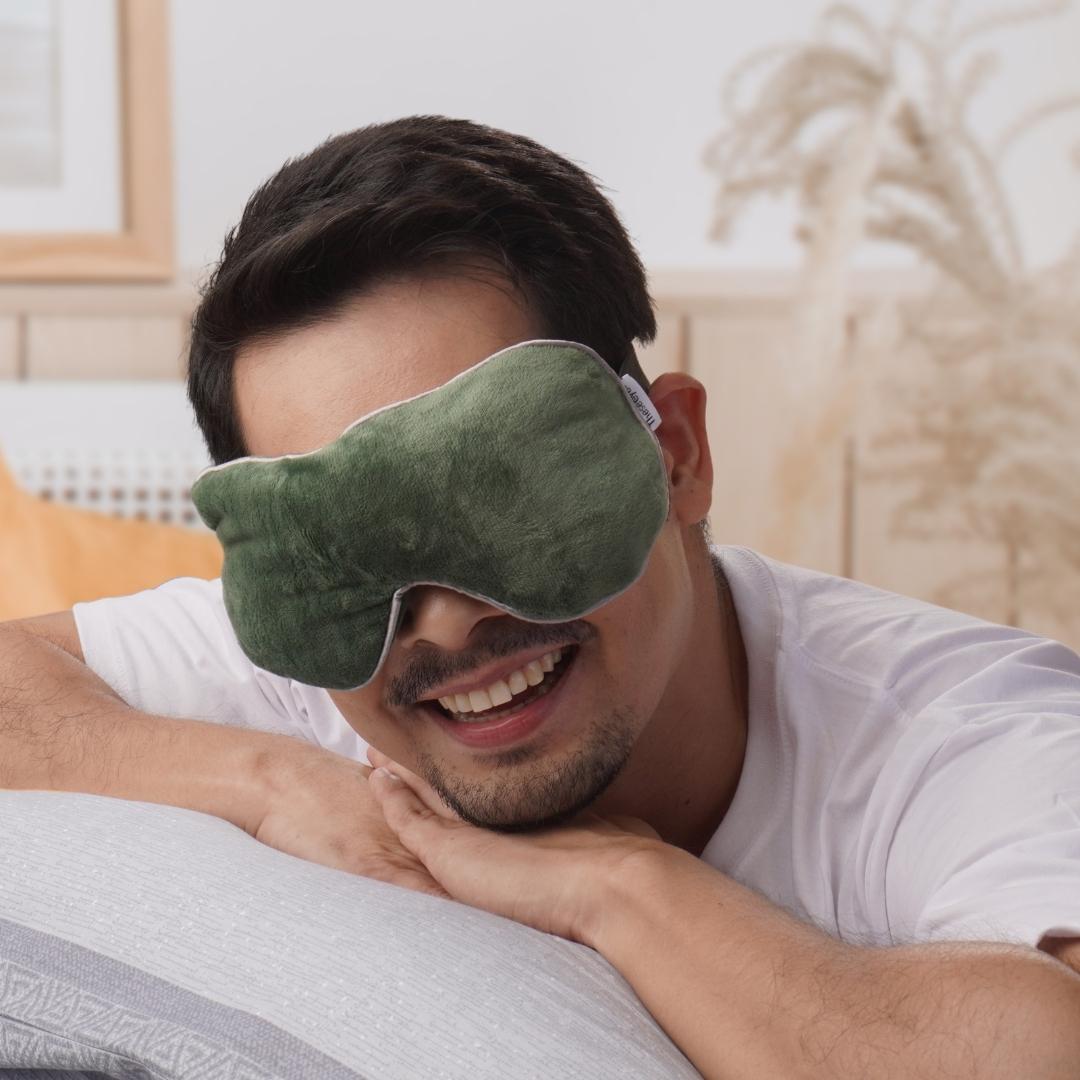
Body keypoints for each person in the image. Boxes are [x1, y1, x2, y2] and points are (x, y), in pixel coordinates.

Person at [2, 115, 1079, 1078]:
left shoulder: (975, 736)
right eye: (345, 546)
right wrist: (274, 784)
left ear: (678, 455)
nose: (444, 620)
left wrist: (623, 885)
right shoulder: (316, 672)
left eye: (505, 494)